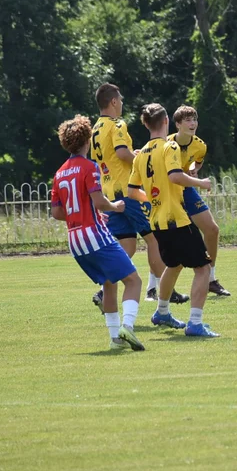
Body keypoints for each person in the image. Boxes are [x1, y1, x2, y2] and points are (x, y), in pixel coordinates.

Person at [50, 115, 145, 352]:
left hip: (75, 241)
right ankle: (128, 327)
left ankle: (115, 338)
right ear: (88, 139)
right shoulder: (89, 167)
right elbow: (99, 201)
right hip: (94, 236)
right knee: (133, 281)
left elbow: (57, 212)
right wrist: (114, 207)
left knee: (109, 283)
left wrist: (83, 214)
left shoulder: (60, 173)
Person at [90, 83, 186, 311]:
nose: (122, 103)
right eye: (120, 99)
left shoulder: (95, 128)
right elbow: (122, 153)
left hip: (110, 193)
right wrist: (141, 159)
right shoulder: (117, 124)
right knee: (153, 238)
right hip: (128, 191)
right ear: (113, 102)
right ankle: (164, 290)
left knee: (127, 246)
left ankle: (104, 292)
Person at [129, 103, 219, 338]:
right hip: (176, 219)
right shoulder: (170, 147)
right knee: (203, 268)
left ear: (146, 125)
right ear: (167, 121)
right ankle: (195, 324)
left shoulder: (141, 153)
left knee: (174, 265)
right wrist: (201, 183)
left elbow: (131, 192)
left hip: (156, 221)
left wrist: (152, 198)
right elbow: (175, 176)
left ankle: (162, 312)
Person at [169, 106, 230, 297]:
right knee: (162, 240)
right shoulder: (166, 143)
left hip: (186, 189)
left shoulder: (200, 145)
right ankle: (155, 288)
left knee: (212, 229)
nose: (192, 123)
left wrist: (194, 169)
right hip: (167, 192)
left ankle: (211, 279)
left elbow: (198, 160)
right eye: (187, 120)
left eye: (194, 119)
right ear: (177, 124)